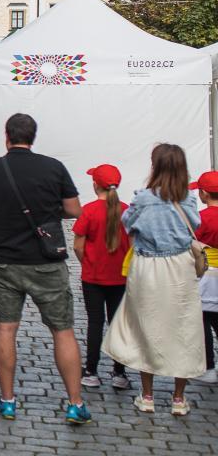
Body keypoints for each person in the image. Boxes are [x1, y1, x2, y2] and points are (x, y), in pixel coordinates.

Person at [0, 113, 90, 424]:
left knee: (6, 328)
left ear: (7, 138)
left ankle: (8, 400)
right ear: (33, 137)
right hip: (46, 262)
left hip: (4, 261)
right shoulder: (53, 167)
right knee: (63, 331)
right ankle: (75, 403)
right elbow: (74, 209)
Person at [102, 144, 205, 415]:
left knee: (146, 327)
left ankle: (147, 396)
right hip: (180, 266)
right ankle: (178, 399)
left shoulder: (144, 198)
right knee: (183, 328)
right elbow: (195, 225)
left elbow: (127, 223)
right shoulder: (188, 199)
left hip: (148, 265)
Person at [71, 164, 130, 390]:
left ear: (95, 185)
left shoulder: (89, 210)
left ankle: (92, 370)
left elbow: (78, 245)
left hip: (93, 277)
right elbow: (133, 245)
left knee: (95, 323)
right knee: (118, 323)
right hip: (120, 278)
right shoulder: (127, 210)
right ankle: (119, 372)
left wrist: (87, 263)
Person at [193, 171, 218, 384]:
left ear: (203, 194)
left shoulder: (201, 219)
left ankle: (208, 366)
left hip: (207, 275)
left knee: (203, 322)